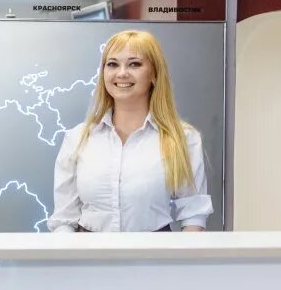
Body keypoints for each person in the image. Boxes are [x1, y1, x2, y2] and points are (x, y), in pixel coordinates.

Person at [48, 30, 212, 232]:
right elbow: (64, 220)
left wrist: (178, 254)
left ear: (154, 74)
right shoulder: (78, 138)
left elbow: (193, 215)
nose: (122, 73)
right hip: (88, 250)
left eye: (134, 64)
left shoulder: (183, 138)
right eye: (112, 64)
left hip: (155, 251)